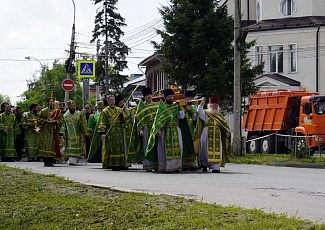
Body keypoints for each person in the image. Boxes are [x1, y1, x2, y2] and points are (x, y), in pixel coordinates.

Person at [146, 88, 185, 172]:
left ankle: (176, 166)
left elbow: (182, 117)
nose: (170, 98)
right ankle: (165, 167)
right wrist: (158, 130)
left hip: (175, 129)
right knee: (163, 149)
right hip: (165, 130)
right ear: (165, 97)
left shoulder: (176, 106)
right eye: (168, 96)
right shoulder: (161, 107)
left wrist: (180, 107)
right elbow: (158, 120)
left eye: (171, 96)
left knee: (178, 147)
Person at [194, 97, 231, 173]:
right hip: (206, 133)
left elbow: (224, 124)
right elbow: (199, 111)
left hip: (217, 134)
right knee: (204, 149)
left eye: (216, 105)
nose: (215, 107)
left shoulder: (219, 115)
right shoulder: (206, 113)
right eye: (213, 105)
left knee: (218, 150)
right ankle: (204, 164)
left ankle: (216, 167)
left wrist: (227, 131)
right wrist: (202, 102)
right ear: (209, 105)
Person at [98, 95, 129, 170]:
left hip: (119, 131)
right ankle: (111, 163)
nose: (112, 101)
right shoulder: (105, 111)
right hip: (110, 131)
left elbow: (124, 121)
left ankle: (121, 163)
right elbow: (102, 122)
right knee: (111, 148)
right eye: (111, 100)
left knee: (120, 147)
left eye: (113, 100)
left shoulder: (119, 110)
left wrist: (122, 115)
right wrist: (102, 133)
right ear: (108, 101)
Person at [134, 87, 159, 171]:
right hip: (146, 129)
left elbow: (158, 118)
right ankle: (148, 165)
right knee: (146, 146)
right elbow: (139, 119)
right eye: (147, 95)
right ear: (144, 97)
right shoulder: (141, 106)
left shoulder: (156, 106)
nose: (149, 97)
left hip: (154, 128)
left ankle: (156, 164)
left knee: (155, 146)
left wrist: (158, 129)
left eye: (150, 95)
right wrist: (140, 130)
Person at [38, 96, 63, 167]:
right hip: (45, 131)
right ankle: (46, 161)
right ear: (47, 103)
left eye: (53, 102)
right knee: (46, 146)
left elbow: (61, 120)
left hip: (54, 131)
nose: (51, 103)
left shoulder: (58, 111)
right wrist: (45, 121)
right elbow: (38, 119)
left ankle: (52, 160)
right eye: (50, 101)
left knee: (53, 146)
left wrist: (56, 121)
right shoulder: (43, 111)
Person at [60, 100, 87, 165]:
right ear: (69, 107)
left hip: (77, 134)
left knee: (77, 146)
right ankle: (71, 159)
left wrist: (84, 131)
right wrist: (63, 133)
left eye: (73, 106)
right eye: (71, 107)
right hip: (69, 135)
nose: (72, 108)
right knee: (70, 147)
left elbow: (82, 124)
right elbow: (63, 125)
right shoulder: (65, 116)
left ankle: (75, 158)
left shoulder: (78, 115)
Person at [179, 90, 198, 170]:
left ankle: (193, 164)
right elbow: (181, 117)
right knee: (184, 145)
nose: (189, 99)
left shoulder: (193, 107)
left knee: (192, 146)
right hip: (183, 129)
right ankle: (184, 164)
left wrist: (190, 109)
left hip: (191, 129)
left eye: (190, 97)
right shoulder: (180, 107)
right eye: (187, 97)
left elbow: (195, 118)